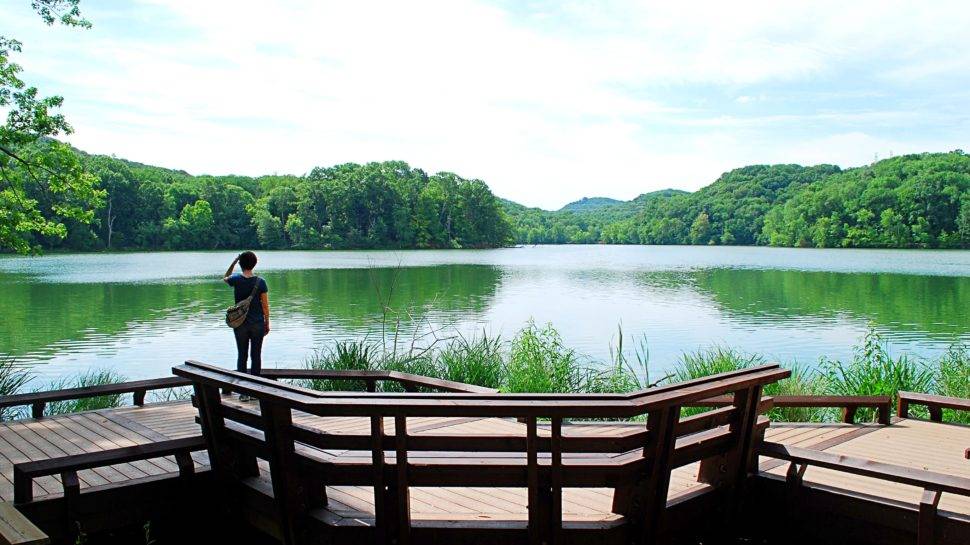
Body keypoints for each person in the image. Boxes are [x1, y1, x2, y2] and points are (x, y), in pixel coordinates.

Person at [223, 251, 270, 381]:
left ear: (241, 264)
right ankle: (254, 389)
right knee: (256, 356)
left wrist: (234, 261)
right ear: (254, 264)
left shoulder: (236, 279)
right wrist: (267, 323)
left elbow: (225, 277)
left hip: (240, 324)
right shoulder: (261, 282)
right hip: (258, 324)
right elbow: (265, 306)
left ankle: (243, 391)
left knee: (242, 356)